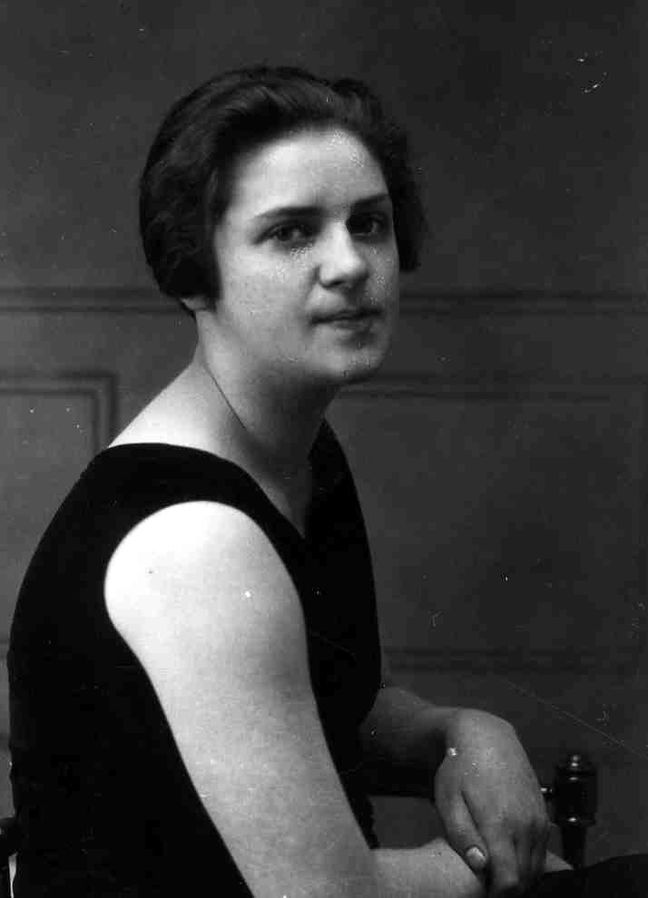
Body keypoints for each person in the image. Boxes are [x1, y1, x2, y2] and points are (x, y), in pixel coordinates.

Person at [7, 65, 647, 898]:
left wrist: (457, 731)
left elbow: (320, 700)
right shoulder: (195, 539)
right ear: (192, 270)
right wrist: (491, 873)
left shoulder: (300, 453)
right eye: (292, 233)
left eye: (369, 224)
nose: (350, 264)